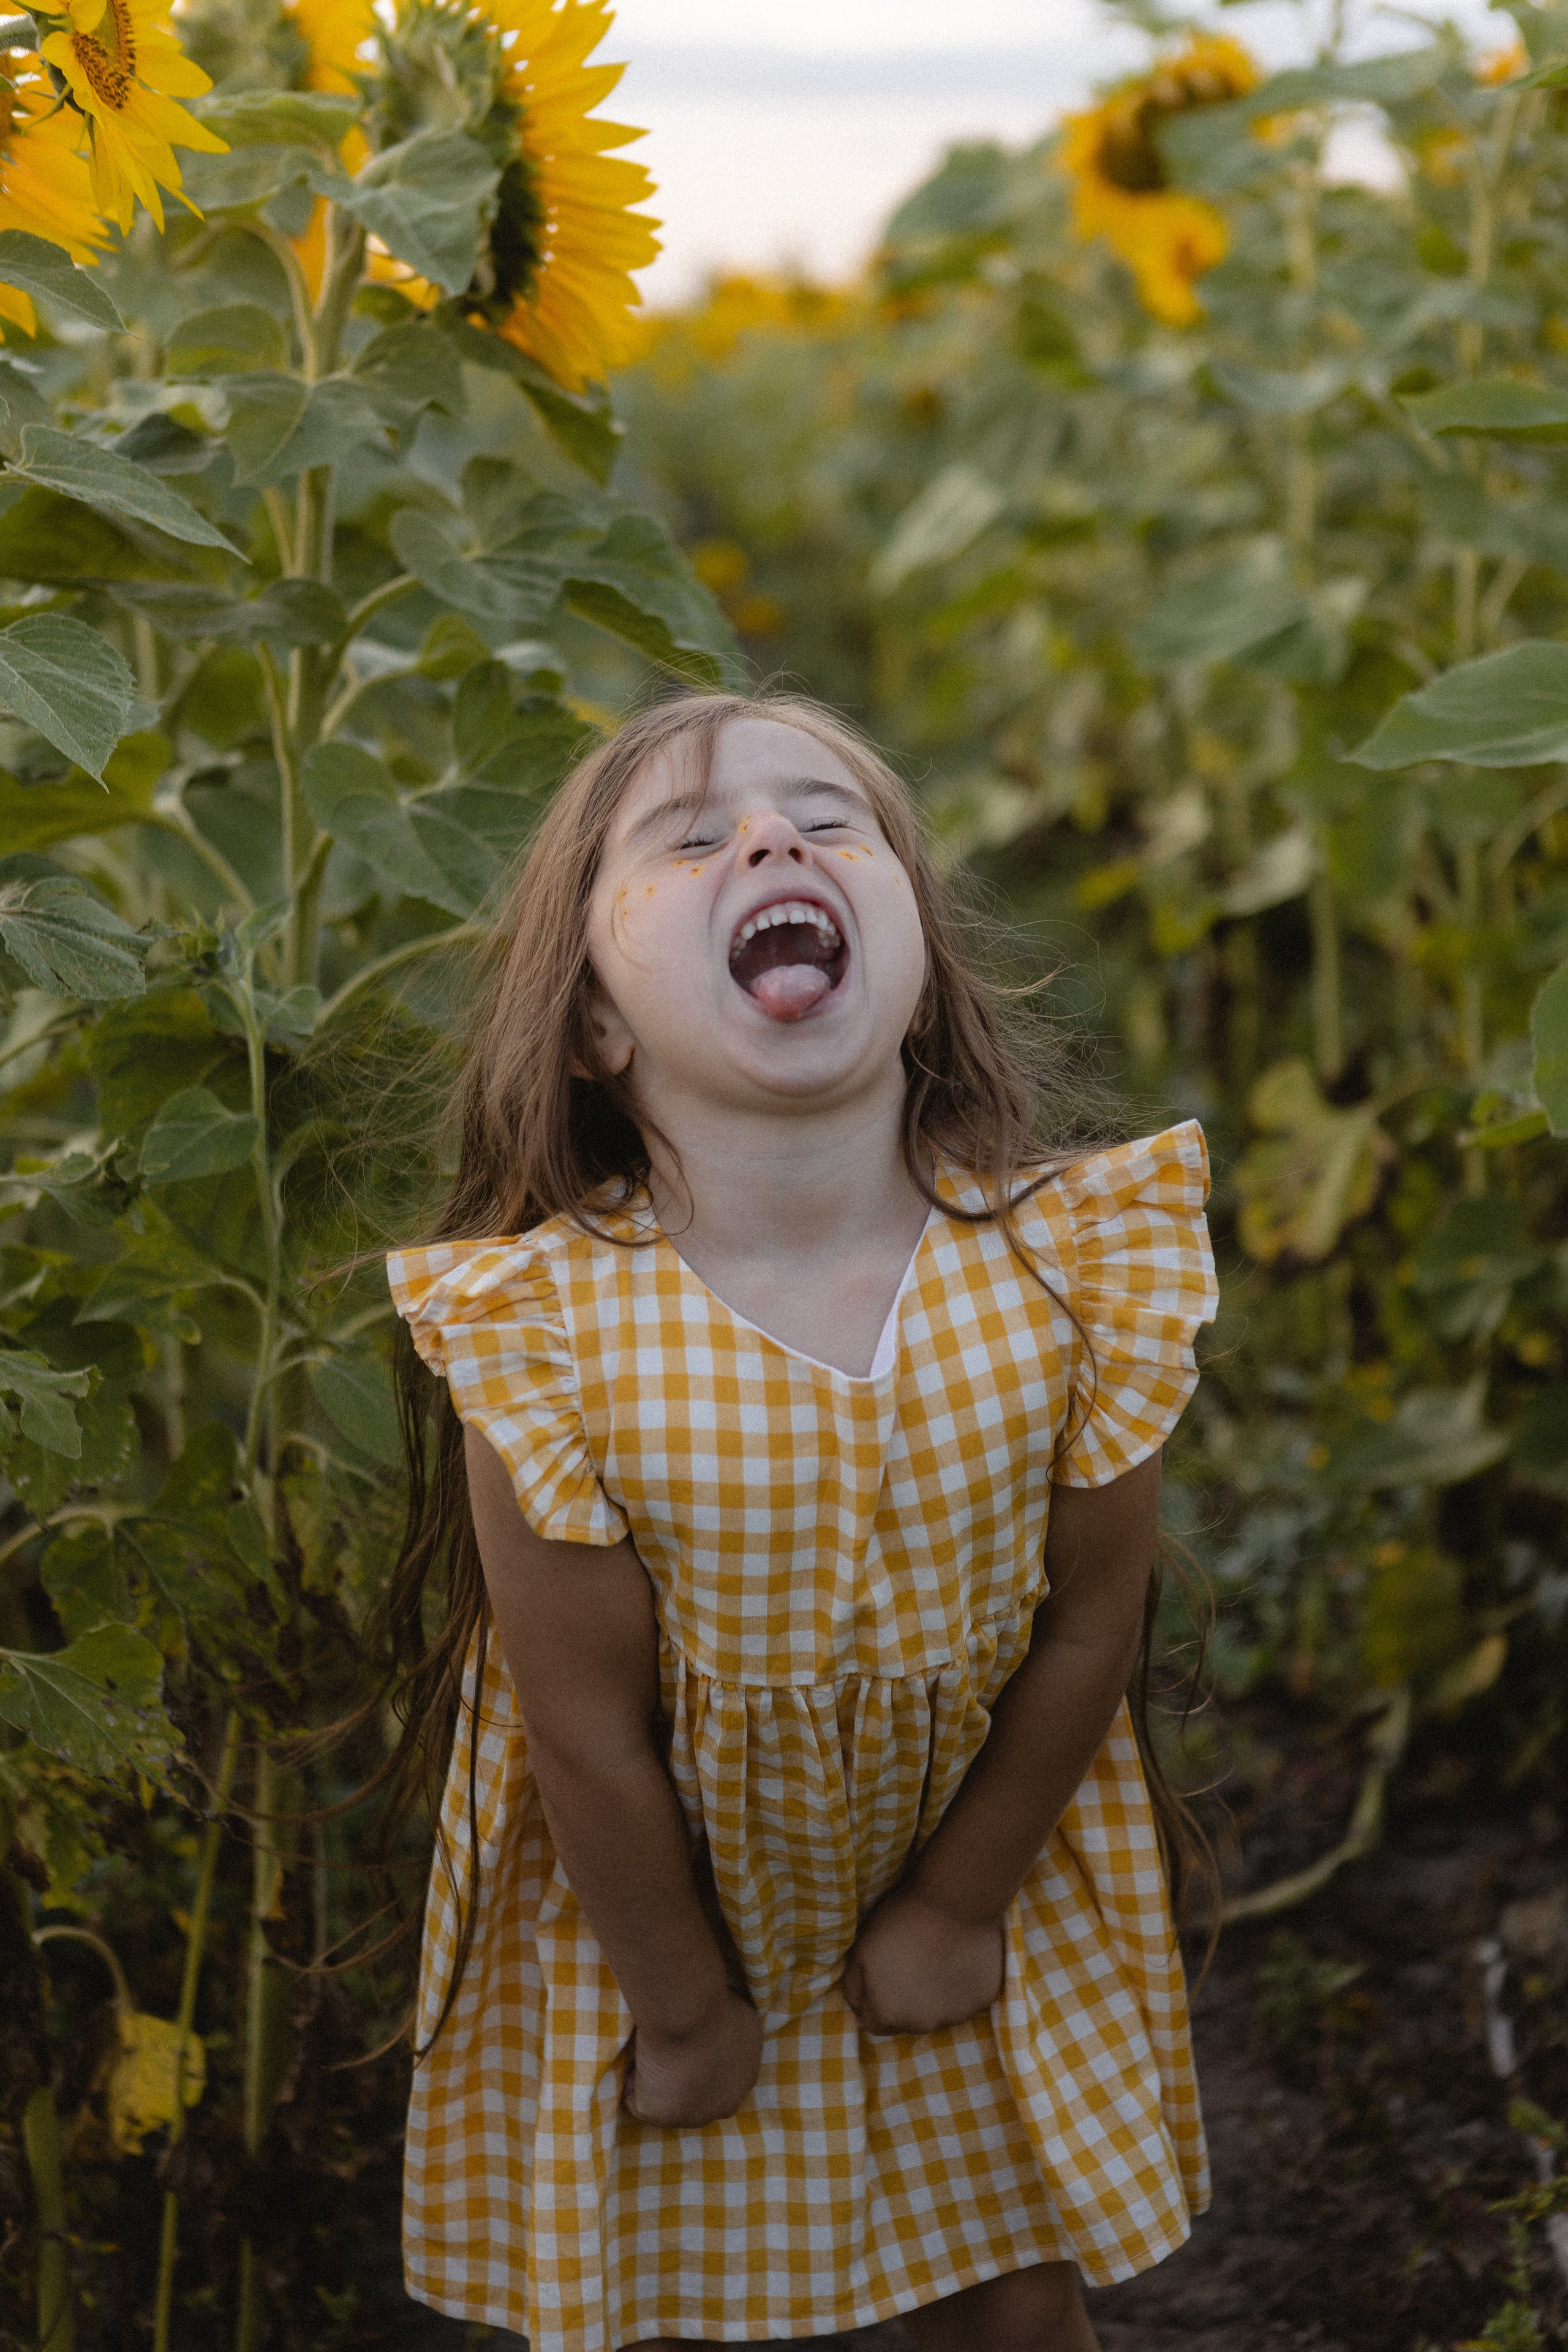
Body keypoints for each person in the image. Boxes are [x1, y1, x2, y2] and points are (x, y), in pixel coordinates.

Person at [381, 690, 1218, 2352]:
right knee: (676, 2288)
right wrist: (684, 2004)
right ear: (594, 1025)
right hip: (665, 1908)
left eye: (831, 823)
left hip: (979, 1850)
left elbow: (1089, 1623)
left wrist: (960, 1905)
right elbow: (582, 1730)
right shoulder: (552, 1337)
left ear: (920, 958)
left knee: (1008, 2293)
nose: (772, 839)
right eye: (691, 841)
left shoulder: (1070, 1261)